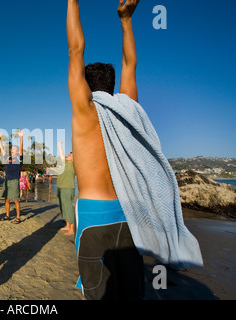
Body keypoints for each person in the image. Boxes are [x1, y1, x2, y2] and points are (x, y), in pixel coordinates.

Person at [67, 0, 202, 300]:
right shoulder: (126, 109)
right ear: (113, 87)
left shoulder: (85, 112)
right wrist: (126, 20)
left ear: (86, 87)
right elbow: (130, 65)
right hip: (130, 220)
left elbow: (75, 50)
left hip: (94, 222)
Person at [0, 130, 24, 224]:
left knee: (16, 200)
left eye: (14, 149)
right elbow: (2, 149)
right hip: (7, 180)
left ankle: (18, 217)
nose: (12, 149)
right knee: (7, 199)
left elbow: (21, 149)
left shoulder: (18, 159)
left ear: (17, 151)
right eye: (12, 148)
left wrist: (21, 137)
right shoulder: (8, 158)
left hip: (14, 181)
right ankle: (7, 215)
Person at [56, 141, 75, 236]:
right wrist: (59, 144)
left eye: (70, 155)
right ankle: (67, 225)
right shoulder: (64, 163)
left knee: (68, 207)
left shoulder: (74, 164)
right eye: (69, 154)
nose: (68, 155)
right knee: (63, 207)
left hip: (68, 188)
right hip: (60, 187)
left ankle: (72, 229)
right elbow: (62, 154)